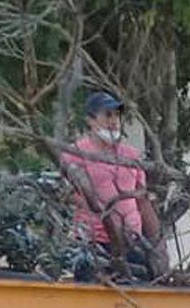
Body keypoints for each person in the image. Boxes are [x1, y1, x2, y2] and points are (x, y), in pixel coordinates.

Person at [60, 91, 168, 280]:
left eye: (117, 115)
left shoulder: (131, 156)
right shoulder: (75, 153)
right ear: (90, 120)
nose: (114, 120)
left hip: (132, 243)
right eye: (107, 114)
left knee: (143, 286)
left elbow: (142, 202)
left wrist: (159, 246)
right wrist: (102, 212)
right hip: (94, 243)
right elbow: (66, 193)